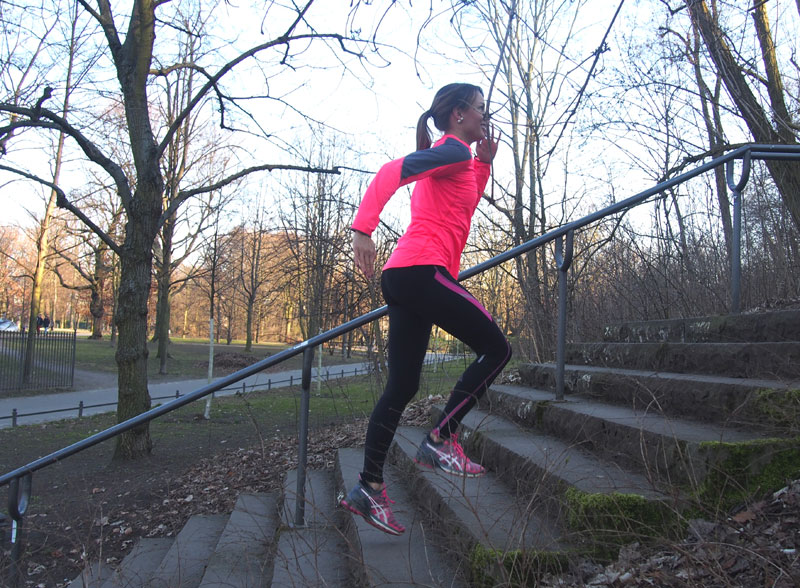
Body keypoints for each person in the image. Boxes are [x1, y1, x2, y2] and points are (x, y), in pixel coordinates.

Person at [340, 83, 512, 535]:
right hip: (421, 270)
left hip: (405, 275)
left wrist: (485, 164)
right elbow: (390, 171)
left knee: (402, 386)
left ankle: (368, 488)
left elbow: (462, 207)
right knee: (498, 349)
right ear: (459, 114)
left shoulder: (458, 160)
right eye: (480, 108)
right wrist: (362, 228)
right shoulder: (451, 150)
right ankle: (441, 439)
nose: (486, 115)